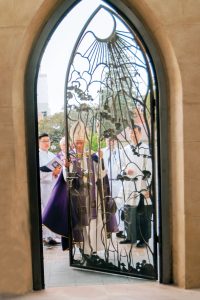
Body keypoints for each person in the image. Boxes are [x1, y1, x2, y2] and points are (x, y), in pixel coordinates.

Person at [42, 121, 118, 254]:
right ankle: (85, 251)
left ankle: (93, 250)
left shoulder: (92, 156)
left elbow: (101, 175)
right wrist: (66, 167)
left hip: (94, 197)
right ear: (73, 143)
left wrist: (100, 160)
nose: (79, 145)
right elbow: (67, 179)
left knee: (95, 224)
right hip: (79, 199)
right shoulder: (70, 158)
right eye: (77, 142)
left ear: (85, 142)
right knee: (82, 226)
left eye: (81, 142)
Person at [118, 125, 152, 247]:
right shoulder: (125, 149)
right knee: (128, 212)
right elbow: (121, 165)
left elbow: (149, 168)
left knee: (142, 213)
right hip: (128, 185)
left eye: (135, 133)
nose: (133, 135)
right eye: (131, 133)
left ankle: (144, 239)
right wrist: (125, 171)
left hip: (141, 185)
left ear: (140, 134)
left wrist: (148, 187)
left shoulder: (145, 149)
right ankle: (130, 236)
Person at [39, 133, 61, 246]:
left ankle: (54, 235)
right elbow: (37, 172)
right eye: (44, 141)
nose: (47, 143)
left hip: (53, 185)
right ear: (39, 142)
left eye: (48, 141)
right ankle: (46, 236)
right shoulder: (37, 155)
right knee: (45, 210)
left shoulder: (52, 155)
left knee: (53, 209)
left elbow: (58, 169)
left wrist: (56, 172)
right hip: (43, 186)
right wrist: (51, 173)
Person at [101, 137, 125, 238]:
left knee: (119, 205)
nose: (110, 142)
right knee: (106, 206)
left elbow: (124, 165)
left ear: (115, 141)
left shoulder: (121, 152)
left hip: (117, 181)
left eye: (112, 140)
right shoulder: (101, 152)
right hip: (106, 182)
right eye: (108, 140)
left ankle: (120, 229)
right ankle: (108, 229)